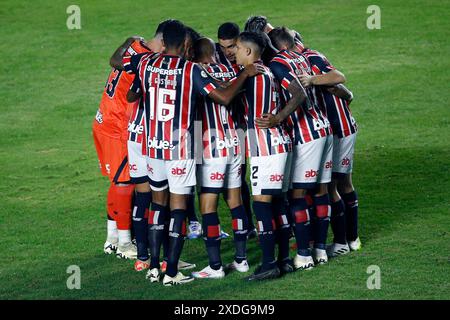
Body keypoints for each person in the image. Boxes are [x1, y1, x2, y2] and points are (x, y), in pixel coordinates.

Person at [127, 20, 262, 286]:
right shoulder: (199, 71)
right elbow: (224, 97)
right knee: (185, 207)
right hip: (195, 146)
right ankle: (175, 271)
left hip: (154, 145)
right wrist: (245, 74)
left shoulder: (145, 64)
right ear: (186, 44)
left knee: (158, 204)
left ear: (163, 43)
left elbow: (131, 91)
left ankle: (155, 266)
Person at [266, 27, 334, 269]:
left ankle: (304, 254)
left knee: (297, 195)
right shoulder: (301, 57)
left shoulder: (277, 63)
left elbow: (300, 94)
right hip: (324, 129)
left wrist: (278, 118)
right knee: (319, 191)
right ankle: (320, 250)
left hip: (306, 134)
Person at [234, 32, 296, 281]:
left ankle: (269, 263)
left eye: (237, 48)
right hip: (280, 143)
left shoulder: (252, 74)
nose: (234, 52)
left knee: (261, 206)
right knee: (278, 203)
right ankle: (283, 260)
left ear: (249, 52)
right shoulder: (268, 71)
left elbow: (226, 97)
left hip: (265, 147)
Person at [190, 38, 250, 279]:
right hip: (236, 142)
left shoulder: (196, 73)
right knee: (236, 202)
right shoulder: (232, 69)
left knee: (208, 207)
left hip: (210, 146)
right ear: (215, 52)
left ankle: (215, 266)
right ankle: (242, 260)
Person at [93, 35, 153, 261]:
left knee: (118, 181)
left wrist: (128, 40)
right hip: (117, 127)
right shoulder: (148, 60)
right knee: (124, 184)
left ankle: (112, 239)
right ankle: (125, 243)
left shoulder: (135, 46)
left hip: (103, 121)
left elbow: (114, 60)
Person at [298, 39, 360, 255]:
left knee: (333, 185)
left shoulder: (310, 57)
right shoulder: (302, 59)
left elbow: (338, 77)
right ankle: (349, 239)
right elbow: (342, 90)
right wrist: (347, 95)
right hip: (336, 129)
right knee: (338, 184)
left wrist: (313, 80)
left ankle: (344, 241)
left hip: (338, 130)